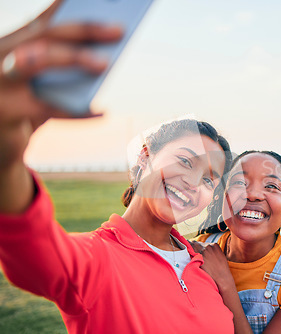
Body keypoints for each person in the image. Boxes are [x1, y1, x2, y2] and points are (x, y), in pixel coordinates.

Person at [0, 2, 234, 333]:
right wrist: (5, 162)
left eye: (210, 179)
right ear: (145, 157)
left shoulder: (205, 265)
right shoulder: (97, 258)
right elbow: (32, 252)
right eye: (184, 160)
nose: (194, 182)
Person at [194, 150, 281, 334]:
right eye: (239, 182)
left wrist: (224, 282)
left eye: (271, 186)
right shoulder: (195, 251)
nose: (253, 194)